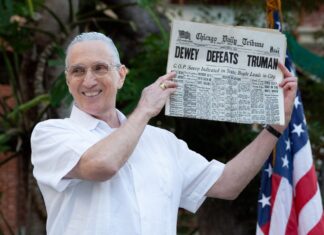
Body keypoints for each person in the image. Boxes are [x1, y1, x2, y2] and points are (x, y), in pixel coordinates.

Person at [31, 32, 297, 235]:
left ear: (121, 76)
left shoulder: (163, 142)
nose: (88, 80)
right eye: (78, 71)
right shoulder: (51, 134)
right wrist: (145, 109)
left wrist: (276, 127)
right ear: (68, 82)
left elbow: (228, 184)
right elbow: (103, 164)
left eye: (100, 68)